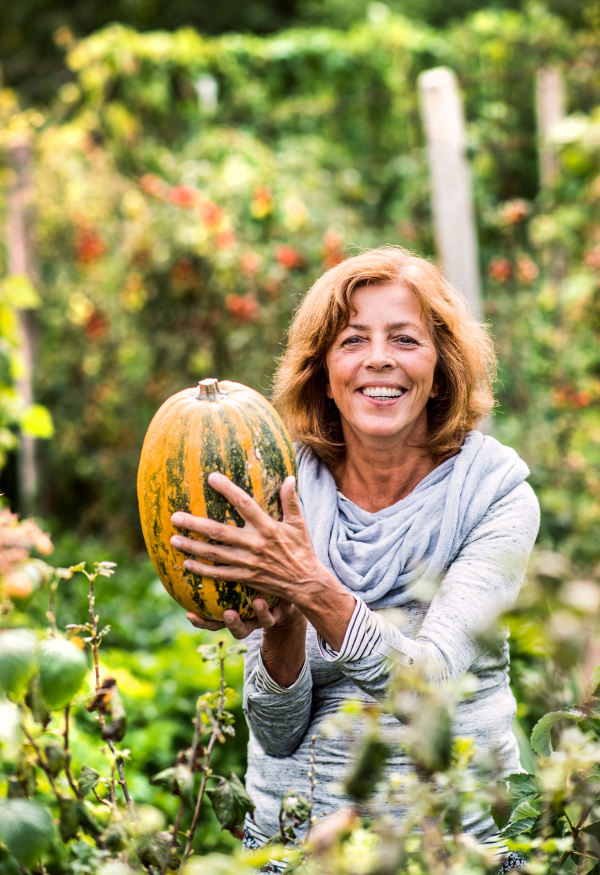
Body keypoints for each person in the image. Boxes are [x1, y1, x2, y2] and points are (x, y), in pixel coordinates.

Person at [169, 246, 540, 855]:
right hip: (294, 848)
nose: (378, 361)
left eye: (404, 340)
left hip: (453, 850)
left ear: (442, 367)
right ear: (322, 372)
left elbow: (431, 690)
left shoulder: (496, 497)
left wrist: (310, 589)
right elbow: (276, 734)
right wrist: (283, 622)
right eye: (351, 342)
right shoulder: (280, 482)